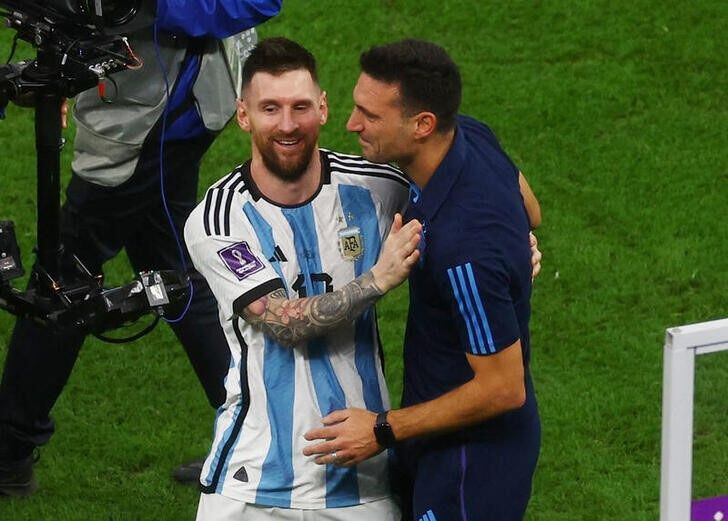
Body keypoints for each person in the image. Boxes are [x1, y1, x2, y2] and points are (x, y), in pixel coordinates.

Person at [0, 1, 282, 497]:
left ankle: (8, 452)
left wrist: (150, 5)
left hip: (156, 121)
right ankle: (260, 442)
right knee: (174, 271)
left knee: (63, 280)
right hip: (147, 110)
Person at [183, 36, 425, 520]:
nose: (288, 125)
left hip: (362, 478)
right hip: (252, 484)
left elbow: (471, 187)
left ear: (324, 108)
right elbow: (283, 323)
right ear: (244, 115)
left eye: (300, 107)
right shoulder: (218, 219)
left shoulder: (376, 186)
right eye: (270, 108)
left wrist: (511, 246)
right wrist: (377, 280)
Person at [303, 39, 541, 521]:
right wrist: (518, 244)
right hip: (438, 435)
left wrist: (382, 429)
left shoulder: (463, 249)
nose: (351, 124)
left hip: (468, 461)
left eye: (369, 115)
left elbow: (503, 388)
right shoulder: (469, 135)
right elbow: (530, 209)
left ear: (422, 125)